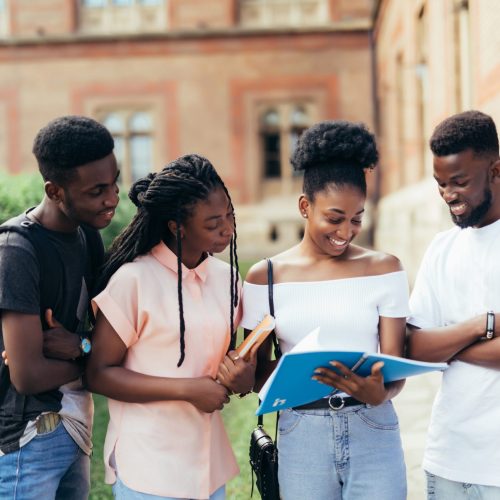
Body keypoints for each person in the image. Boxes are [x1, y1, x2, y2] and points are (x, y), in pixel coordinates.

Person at [241, 120, 410, 500]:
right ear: (305, 206)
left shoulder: (385, 269)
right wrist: (299, 375)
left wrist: (381, 393)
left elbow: (395, 367)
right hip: (302, 432)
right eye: (334, 218)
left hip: (374, 427)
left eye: (357, 219)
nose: (346, 231)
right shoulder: (265, 277)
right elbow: (254, 375)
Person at [85, 154, 255, 500]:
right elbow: (99, 373)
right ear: (178, 227)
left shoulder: (228, 279)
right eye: (212, 223)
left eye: (229, 215)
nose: (227, 229)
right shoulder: (134, 280)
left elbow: (230, 363)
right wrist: (188, 390)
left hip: (208, 466)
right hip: (149, 466)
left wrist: (241, 378)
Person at [0, 115, 119, 499]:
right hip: (26, 440)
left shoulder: (87, 236)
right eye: (96, 190)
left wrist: (83, 347)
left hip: (75, 425)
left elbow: (100, 337)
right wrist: (93, 360)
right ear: (55, 191)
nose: (112, 198)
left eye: (115, 181)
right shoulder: (17, 250)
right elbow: (28, 375)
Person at [407, 110, 500, 499]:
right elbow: (413, 345)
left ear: (496, 170)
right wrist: (484, 325)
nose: (448, 195)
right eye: (441, 183)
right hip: (448, 458)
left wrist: (445, 345)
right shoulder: (441, 249)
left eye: (459, 182)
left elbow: (431, 347)